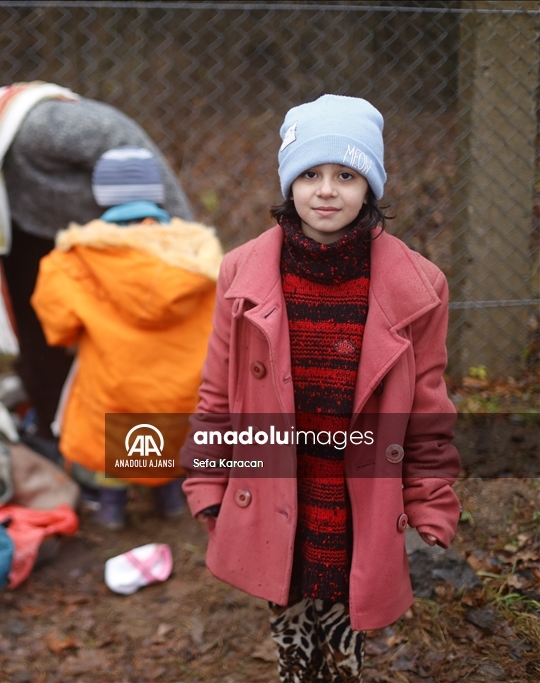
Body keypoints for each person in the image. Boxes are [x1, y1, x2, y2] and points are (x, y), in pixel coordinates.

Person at [180, 95, 461, 682]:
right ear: (289, 182)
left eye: (346, 174)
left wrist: (429, 497)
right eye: (310, 173)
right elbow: (217, 394)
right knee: (288, 612)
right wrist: (207, 476)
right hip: (279, 476)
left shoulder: (420, 286)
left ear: (370, 187)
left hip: (356, 490)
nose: (326, 190)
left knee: (344, 621)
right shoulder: (242, 273)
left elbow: (428, 409)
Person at [0, 82, 194, 440]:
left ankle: (151, 460)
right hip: (16, 266)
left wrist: (175, 234)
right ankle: (66, 449)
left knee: (120, 351)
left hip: (90, 245)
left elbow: (121, 137)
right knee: (39, 358)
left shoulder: (36, 129)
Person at [31, 147, 222, 529]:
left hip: (115, 392)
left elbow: (59, 328)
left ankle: (112, 506)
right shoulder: (199, 256)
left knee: (109, 420)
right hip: (181, 390)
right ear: (157, 193)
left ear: (101, 197)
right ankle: (170, 496)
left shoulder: (73, 259)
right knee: (173, 425)